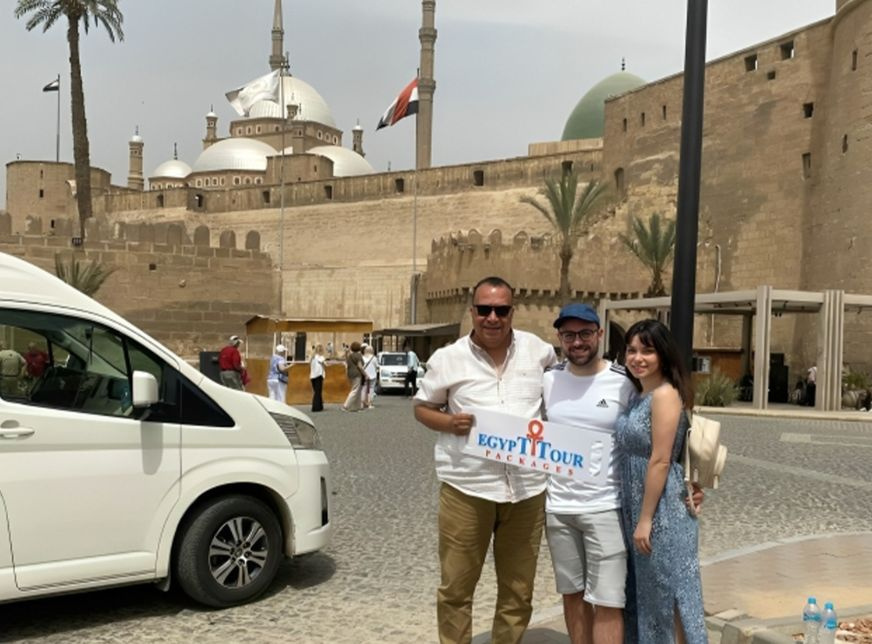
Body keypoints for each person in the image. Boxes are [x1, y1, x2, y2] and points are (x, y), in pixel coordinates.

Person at [414, 276, 557, 644]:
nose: (493, 317)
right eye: (484, 309)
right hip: (467, 488)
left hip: (527, 490)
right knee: (456, 588)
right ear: (472, 311)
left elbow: (558, 398)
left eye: (501, 310)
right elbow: (422, 408)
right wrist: (450, 423)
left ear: (513, 311)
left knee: (518, 590)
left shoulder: (539, 352)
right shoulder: (448, 359)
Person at [543, 303, 637, 644]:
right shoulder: (548, 380)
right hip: (559, 509)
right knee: (572, 595)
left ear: (599, 334)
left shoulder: (624, 382)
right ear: (560, 338)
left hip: (606, 507)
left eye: (584, 333)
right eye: (568, 335)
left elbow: (652, 433)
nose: (577, 342)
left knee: (609, 601)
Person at [616, 319, 707, 642]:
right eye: (631, 350)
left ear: (663, 355)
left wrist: (645, 519)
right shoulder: (640, 394)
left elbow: (661, 459)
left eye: (647, 351)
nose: (637, 358)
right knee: (649, 591)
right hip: (640, 502)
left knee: (670, 590)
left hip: (661, 509)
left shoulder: (665, 394)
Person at [342, 341, 366, 412]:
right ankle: (346, 406)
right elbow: (360, 366)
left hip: (350, 374)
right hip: (357, 374)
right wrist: (365, 374)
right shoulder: (358, 355)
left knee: (357, 390)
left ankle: (357, 407)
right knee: (355, 390)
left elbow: (346, 362)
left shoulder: (350, 355)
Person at [310, 344, 326, 412]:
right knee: (318, 392)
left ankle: (320, 406)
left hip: (312, 376)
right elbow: (325, 365)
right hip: (319, 375)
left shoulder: (312, 357)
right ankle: (316, 407)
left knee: (316, 391)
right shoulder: (321, 357)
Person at [361, 344, 378, 409]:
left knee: (363, 388)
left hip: (364, 374)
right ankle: (370, 403)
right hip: (373, 375)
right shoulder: (374, 358)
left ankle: (362, 403)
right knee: (371, 389)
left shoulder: (362, 357)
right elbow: (376, 366)